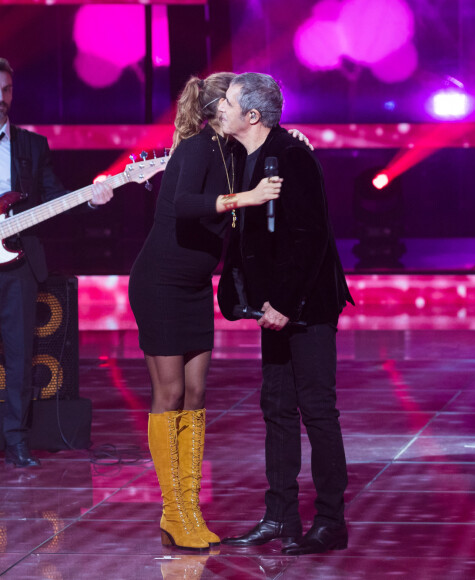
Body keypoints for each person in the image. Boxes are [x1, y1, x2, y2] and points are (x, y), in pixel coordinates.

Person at [128, 72, 286, 552]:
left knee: (196, 395)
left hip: (195, 286)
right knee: (170, 393)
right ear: (221, 108)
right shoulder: (197, 148)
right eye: (236, 98)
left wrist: (290, 137)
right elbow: (182, 205)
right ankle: (173, 512)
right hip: (160, 283)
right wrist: (246, 198)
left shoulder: (233, 153)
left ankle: (190, 508)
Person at [217, 72, 354, 555]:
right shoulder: (238, 155)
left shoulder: (293, 156)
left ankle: (331, 521)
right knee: (275, 408)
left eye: (229, 102)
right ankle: (279, 516)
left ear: (252, 115)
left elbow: (310, 238)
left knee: (317, 410)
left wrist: (285, 304)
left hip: (306, 306)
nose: (221, 108)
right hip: (269, 308)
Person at [0, 58, 113, 468]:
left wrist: (92, 199)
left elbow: (53, 199)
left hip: (18, 264)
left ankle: (15, 440)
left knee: (20, 357)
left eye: (7, 89)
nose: (1, 98)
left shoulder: (31, 145)